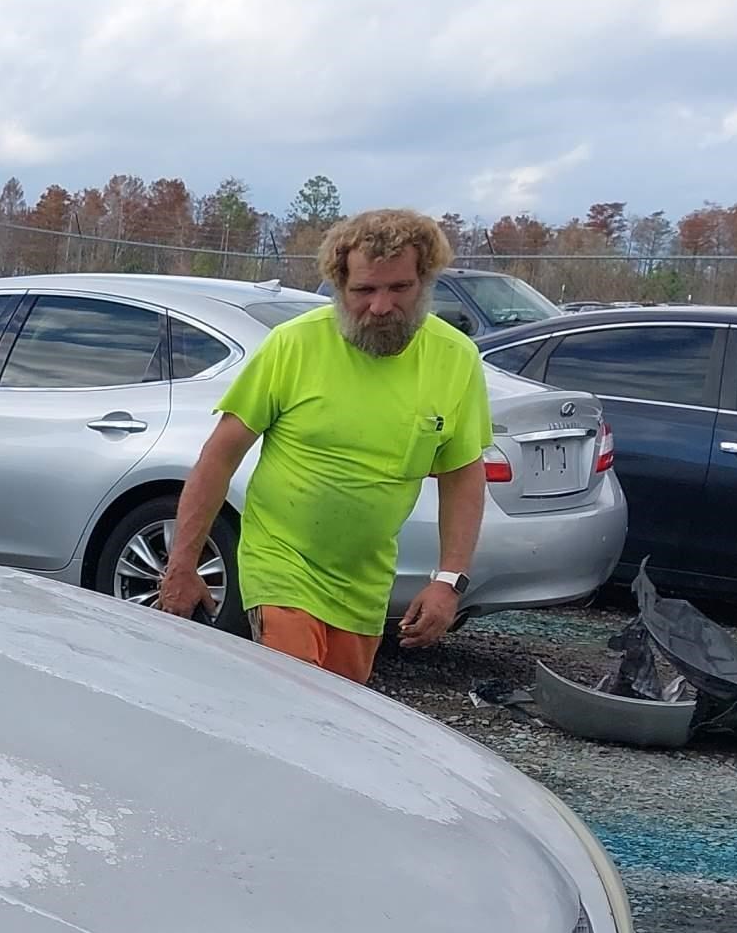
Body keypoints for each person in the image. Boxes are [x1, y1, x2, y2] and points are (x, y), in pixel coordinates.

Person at [155, 208, 492, 683]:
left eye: (399, 289)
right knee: (295, 701)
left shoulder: (456, 359)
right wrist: (183, 564)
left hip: (365, 585)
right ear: (338, 286)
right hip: (281, 565)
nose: (380, 307)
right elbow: (219, 455)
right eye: (363, 291)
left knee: (336, 727)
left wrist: (448, 581)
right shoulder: (294, 345)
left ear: (425, 282)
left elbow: (462, 476)